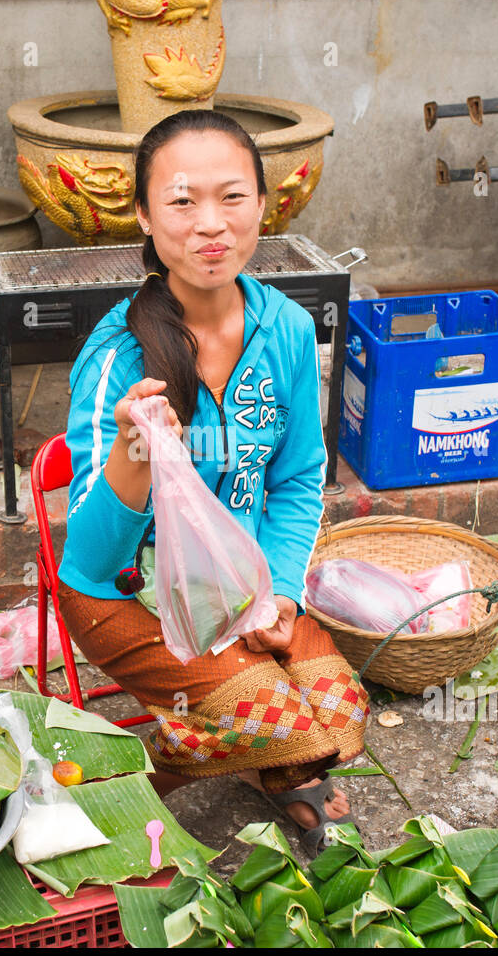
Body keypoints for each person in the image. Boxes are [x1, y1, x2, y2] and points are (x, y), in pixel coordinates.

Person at [55, 109, 369, 853]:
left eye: (232, 197)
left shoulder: (287, 329)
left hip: (245, 588)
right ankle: (145, 778)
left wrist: (282, 596)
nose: (210, 225)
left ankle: (268, 752)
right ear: (143, 214)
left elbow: (295, 483)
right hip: (123, 598)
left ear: (265, 205)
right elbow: (94, 562)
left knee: (343, 717)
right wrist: (135, 453)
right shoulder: (115, 357)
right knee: (280, 721)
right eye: (182, 201)